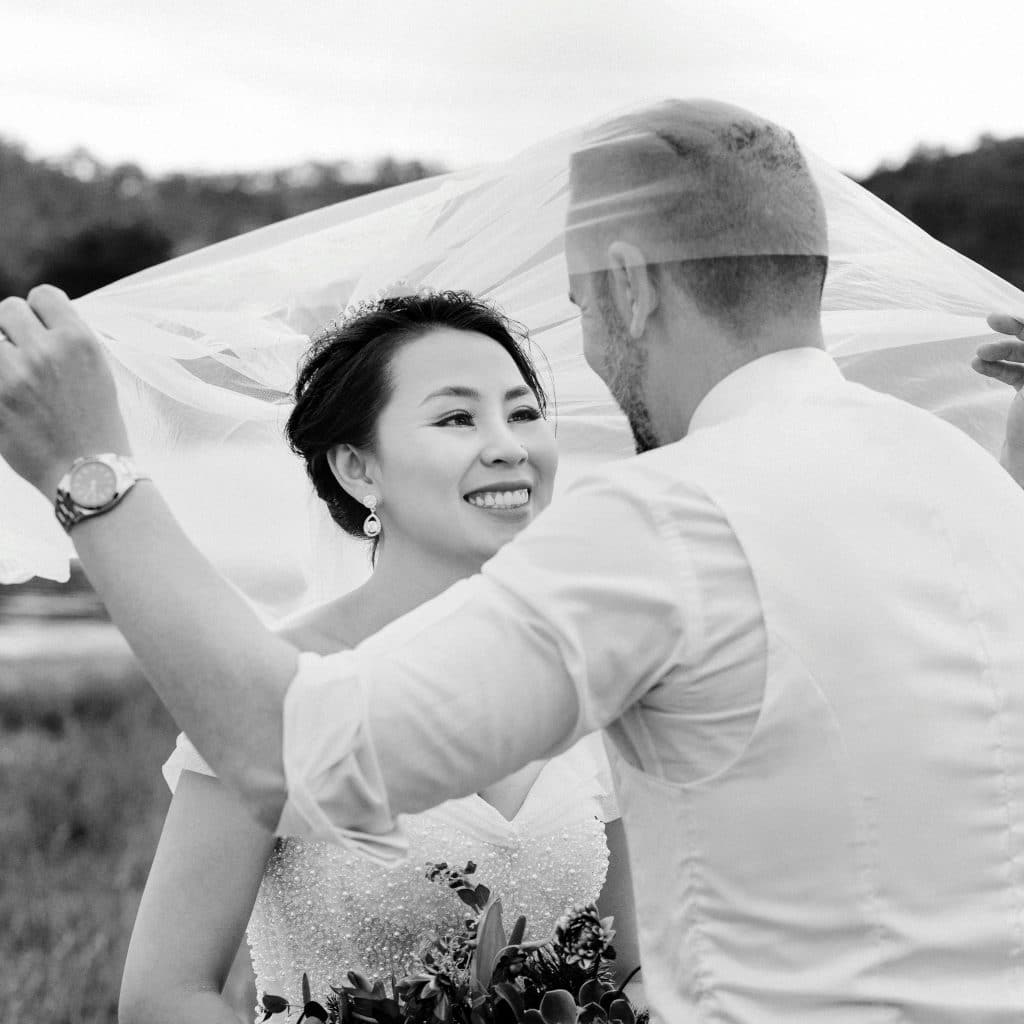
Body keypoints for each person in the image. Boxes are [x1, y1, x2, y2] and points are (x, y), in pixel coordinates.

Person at [5, 99, 1024, 1021]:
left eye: (581, 307)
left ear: (627, 286)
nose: (575, 355)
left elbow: (285, 750)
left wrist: (88, 472)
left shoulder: (665, 516)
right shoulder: (968, 479)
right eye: (455, 414)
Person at [118, 291, 638, 1023]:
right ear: (360, 469)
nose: (509, 445)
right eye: (458, 417)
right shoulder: (271, 685)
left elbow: (624, 968)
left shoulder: (590, 675)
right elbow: (164, 997)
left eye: (522, 413)